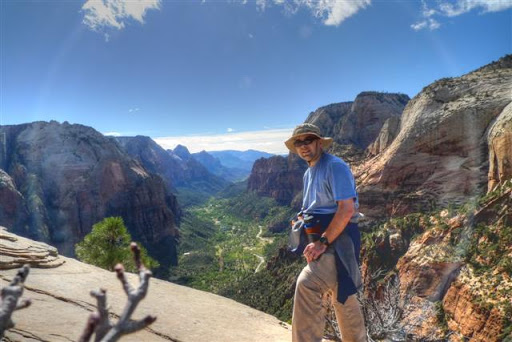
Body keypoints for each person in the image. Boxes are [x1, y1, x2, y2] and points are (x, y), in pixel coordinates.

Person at [285, 123, 367, 342]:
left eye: (308, 140)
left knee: (308, 284)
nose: (303, 146)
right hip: (324, 238)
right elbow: (314, 206)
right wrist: (301, 220)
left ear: (319, 142)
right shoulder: (309, 173)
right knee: (343, 294)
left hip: (338, 242)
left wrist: (321, 242)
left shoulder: (334, 167)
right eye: (298, 142)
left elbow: (347, 209)